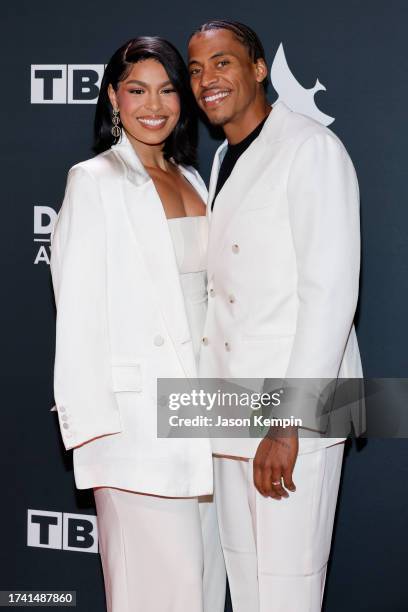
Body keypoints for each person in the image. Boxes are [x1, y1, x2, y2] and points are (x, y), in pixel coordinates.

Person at [188, 19, 364, 611]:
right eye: (195, 69)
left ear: (259, 69)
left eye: (222, 62)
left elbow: (330, 293)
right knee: (247, 584)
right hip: (230, 406)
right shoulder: (221, 161)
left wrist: (288, 422)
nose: (206, 79)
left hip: (291, 415)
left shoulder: (311, 148)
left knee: (288, 591)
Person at [50, 37, 225, 612]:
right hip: (135, 429)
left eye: (169, 89)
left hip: (206, 413)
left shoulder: (195, 179)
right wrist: (93, 431)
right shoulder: (94, 180)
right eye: (137, 90)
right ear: (112, 98)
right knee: (153, 594)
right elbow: (75, 313)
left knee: (201, 590)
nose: (155, 105)